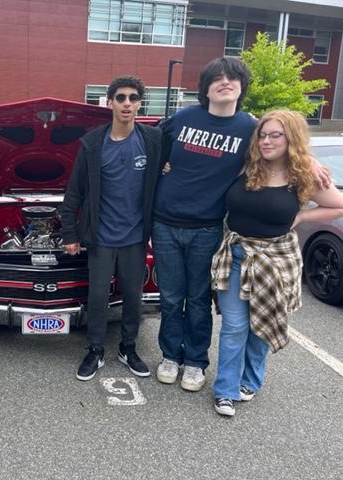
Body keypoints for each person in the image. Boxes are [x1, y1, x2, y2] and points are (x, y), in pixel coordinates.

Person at [211, 109, 343, 416]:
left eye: (276, 135)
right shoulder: (248, 164)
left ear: (291, 139)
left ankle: (250, 381)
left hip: (277, 260)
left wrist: (302, 215)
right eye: (263, 134)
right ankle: (225, 391)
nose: (267, 141)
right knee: (234, 326)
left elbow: (338, 204)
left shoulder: (303, 176)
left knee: (261, 327)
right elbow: (244, 115)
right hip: (236, 254)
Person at [151, 57, 258, 392]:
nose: (225, 82)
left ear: (241, 87)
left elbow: (284, 144)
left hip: (207, 228)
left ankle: (196, 361)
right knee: (169, 297)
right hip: (165, 223)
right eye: (217, 78)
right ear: (206, 87)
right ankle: (170, 355)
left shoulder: (249, 129)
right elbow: (151, 146)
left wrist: (311, 163)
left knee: (198, 299)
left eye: (232, 78)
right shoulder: (183, 118)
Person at [62, 76, 162, 381]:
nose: (127, 103)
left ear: (140, 104)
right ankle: (95, 350)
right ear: (109, 103)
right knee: (97, 297)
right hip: (101, 237)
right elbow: (74, 191)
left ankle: (128, 347)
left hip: (135, 238)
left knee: (133, 296)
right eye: (120, 98)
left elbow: (176, 169)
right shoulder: (93, 143)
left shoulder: (153, 141)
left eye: (133, 98)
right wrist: (70, 233)